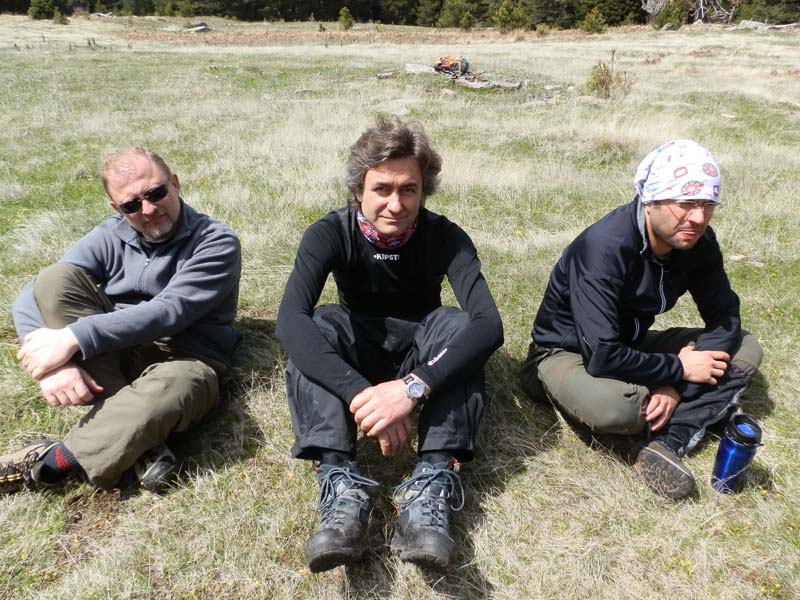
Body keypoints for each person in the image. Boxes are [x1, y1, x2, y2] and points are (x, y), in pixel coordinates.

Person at [276, 117, 503, 572]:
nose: (396, 205)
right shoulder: (329, 233)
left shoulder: (446, 237)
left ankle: (431, 483)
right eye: (382, 189)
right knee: (317, 327)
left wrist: (411, 389)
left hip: (421, 347)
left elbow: (488, 324)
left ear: (424, 191)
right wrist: (364, 396)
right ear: (357, 189)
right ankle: (339, 482)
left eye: (409, 190)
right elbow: (289, 321)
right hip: (356, 347)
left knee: (460, 329)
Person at [520, 140, 762, 500]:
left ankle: (668, 440)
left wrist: (676, 384)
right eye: (686, 204)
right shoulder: (604, 248)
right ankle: (689, 415)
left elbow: (724, 315)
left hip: (632, 344)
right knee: (616, 408)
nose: (698, 218)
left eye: (708, 205)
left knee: (744, 345)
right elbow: (602, 355)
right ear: (651, 201)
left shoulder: (697, 242)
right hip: (568, 353)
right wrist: (678, 369)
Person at [1, 147, 241, 494]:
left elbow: (170, 311)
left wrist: (73, 337)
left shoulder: (216, 242)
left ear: (175, 184)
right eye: (131, 205)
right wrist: (51, 363)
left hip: (184, 359)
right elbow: (34, 291)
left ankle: (50, 462)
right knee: (56, 278)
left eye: (156, 193)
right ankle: (141, 442)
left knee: (180, 387)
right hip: (116, 348)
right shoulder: (110, 234)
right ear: (117, 209)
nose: (149, 209)